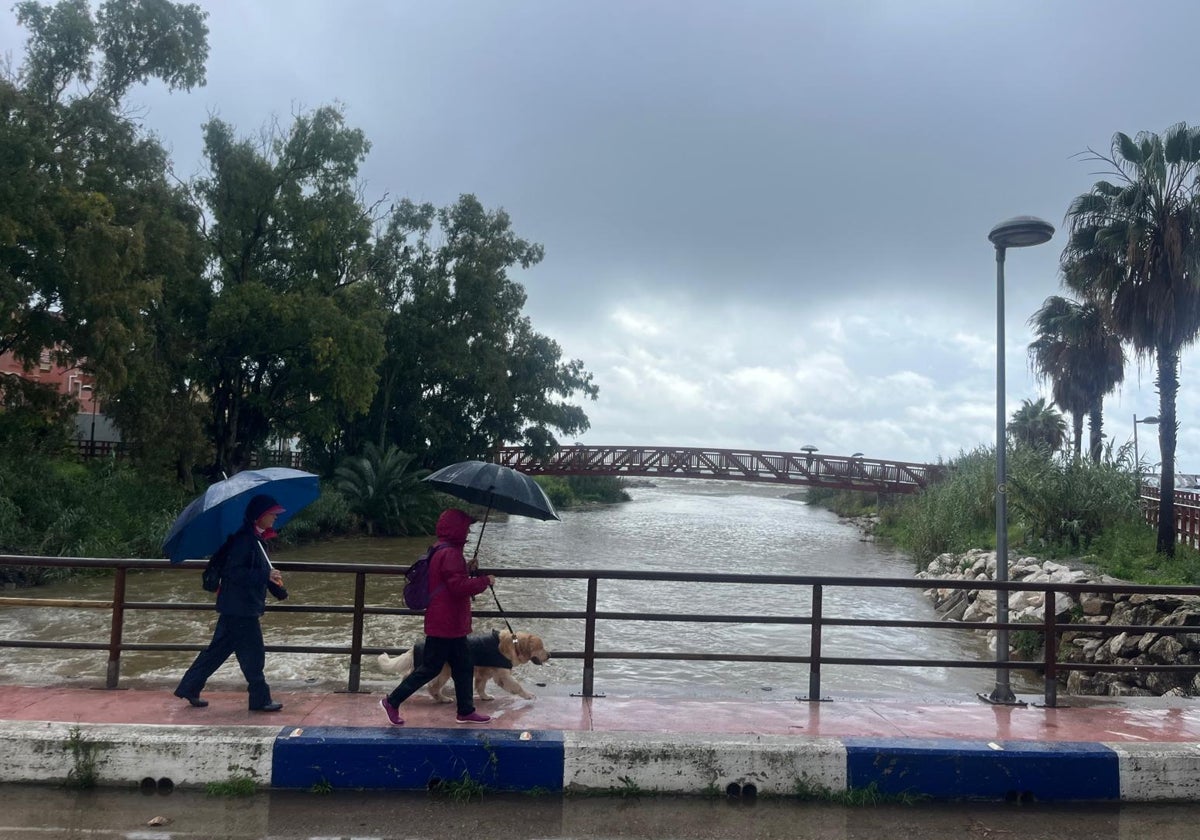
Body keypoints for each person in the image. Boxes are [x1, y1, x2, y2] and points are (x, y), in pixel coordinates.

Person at [174, 494, 289, 712]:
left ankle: (189, 687)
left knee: (217, 651)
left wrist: (277, 589)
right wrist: (265, 575)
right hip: (240, 608)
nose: (275, 517)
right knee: (254, 655)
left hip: (237, 606)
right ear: (260, 516)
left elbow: (259, 571)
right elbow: (234, 572)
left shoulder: (256, 540)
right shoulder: (245, 540)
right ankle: (260, 699)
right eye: (272, 513)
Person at [380, 508, 495, 725]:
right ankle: (392, 701)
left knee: (463, 666)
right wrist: (484, 581)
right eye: (466, 528)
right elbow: (458, 587)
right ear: (456, 529)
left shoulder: (441, 549)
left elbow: (449, 579)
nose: (468, 533)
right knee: (430, 668)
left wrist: (466, 568)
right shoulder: (451, 553)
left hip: (447, 621)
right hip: (446, 623)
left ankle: (466, 710)